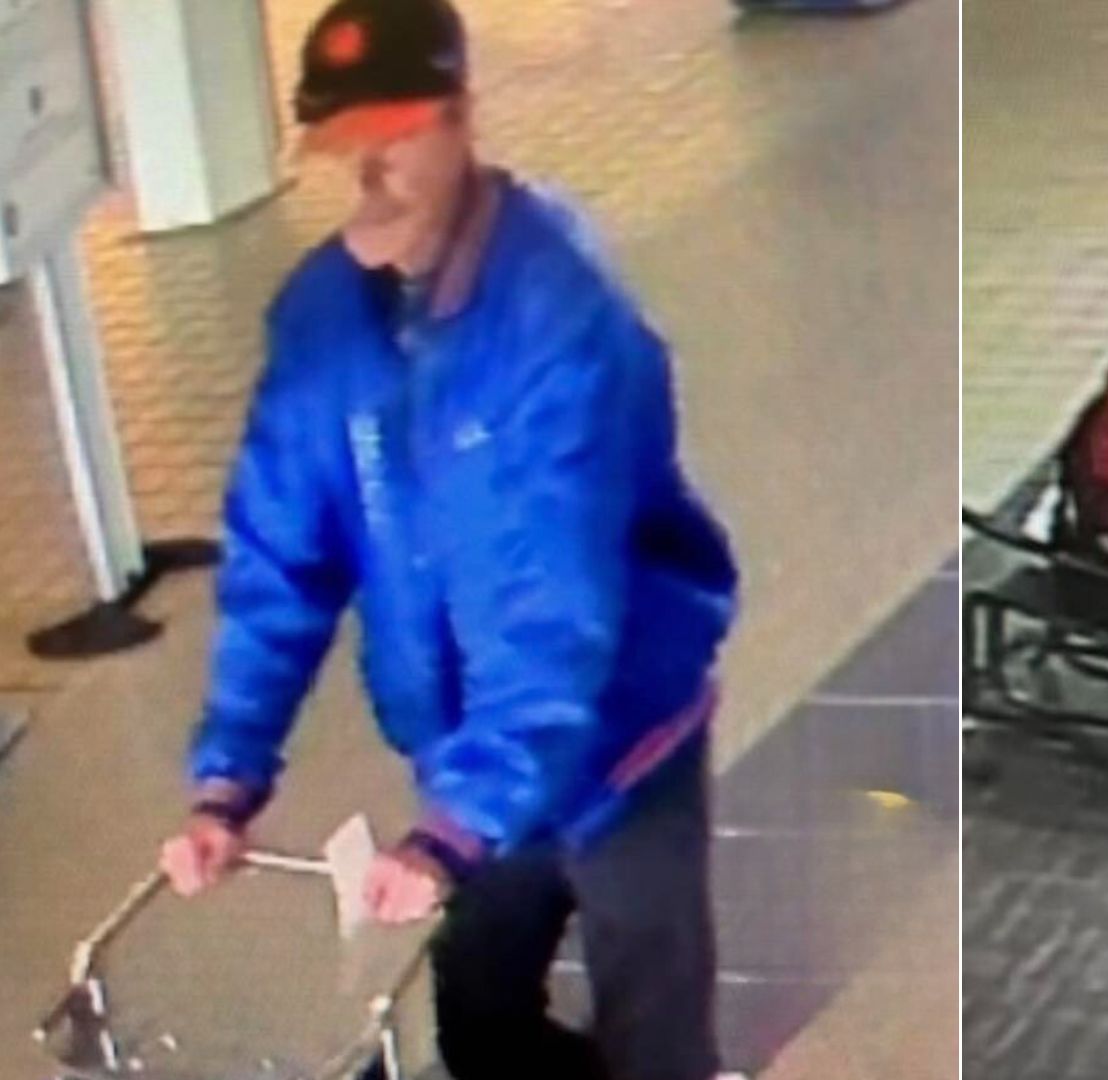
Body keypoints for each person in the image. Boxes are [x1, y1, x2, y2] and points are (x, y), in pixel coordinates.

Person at [155, 0, 746, 1076]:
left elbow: (554, 615)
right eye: (347, 143)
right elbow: (278, 562)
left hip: (619, 735)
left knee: (654, 1028)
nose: (372, 169)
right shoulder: (323, 320)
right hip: (469, 748)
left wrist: (455, 830)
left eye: (399, 135)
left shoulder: (561, 319)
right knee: (478, 1012)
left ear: (462, 119)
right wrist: (226, 781)